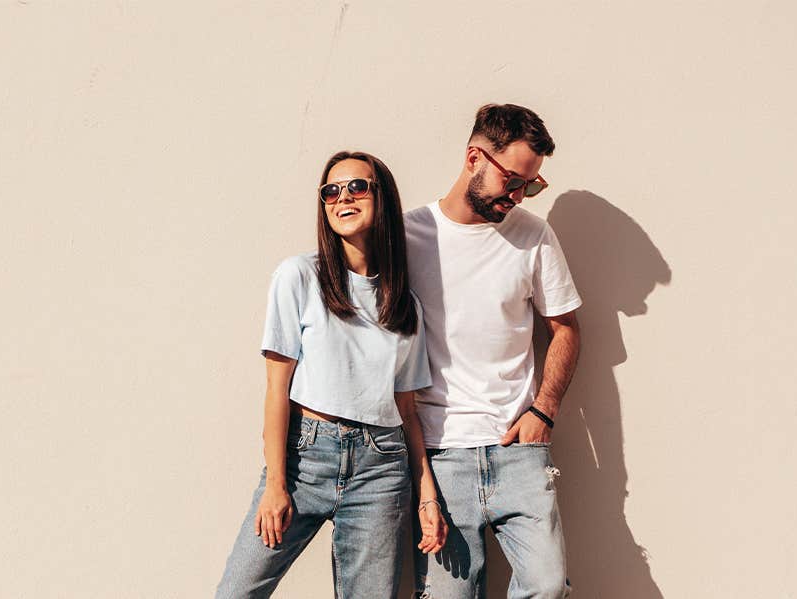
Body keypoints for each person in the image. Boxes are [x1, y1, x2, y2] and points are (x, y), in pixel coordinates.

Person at [216, 151, 448, 599]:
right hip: (306, 458)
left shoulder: (405, 306)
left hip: (380, 468)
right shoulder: (299, 276)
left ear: (382, 197)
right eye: (331, 191)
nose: (343, 197)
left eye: (357, 187)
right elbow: (276, 389)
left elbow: (406, 411)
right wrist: (277, 484)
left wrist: (427, 495)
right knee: (237, 592)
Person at [404, 104, 581, 599]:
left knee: (547, 588)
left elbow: (565, 328)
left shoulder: (534, 236)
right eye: (513, 180)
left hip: (518, 451)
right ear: (473, 157)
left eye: (532, 185)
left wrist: (543, 411)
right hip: (440, 455)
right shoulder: (407, 235)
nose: (519, 196)